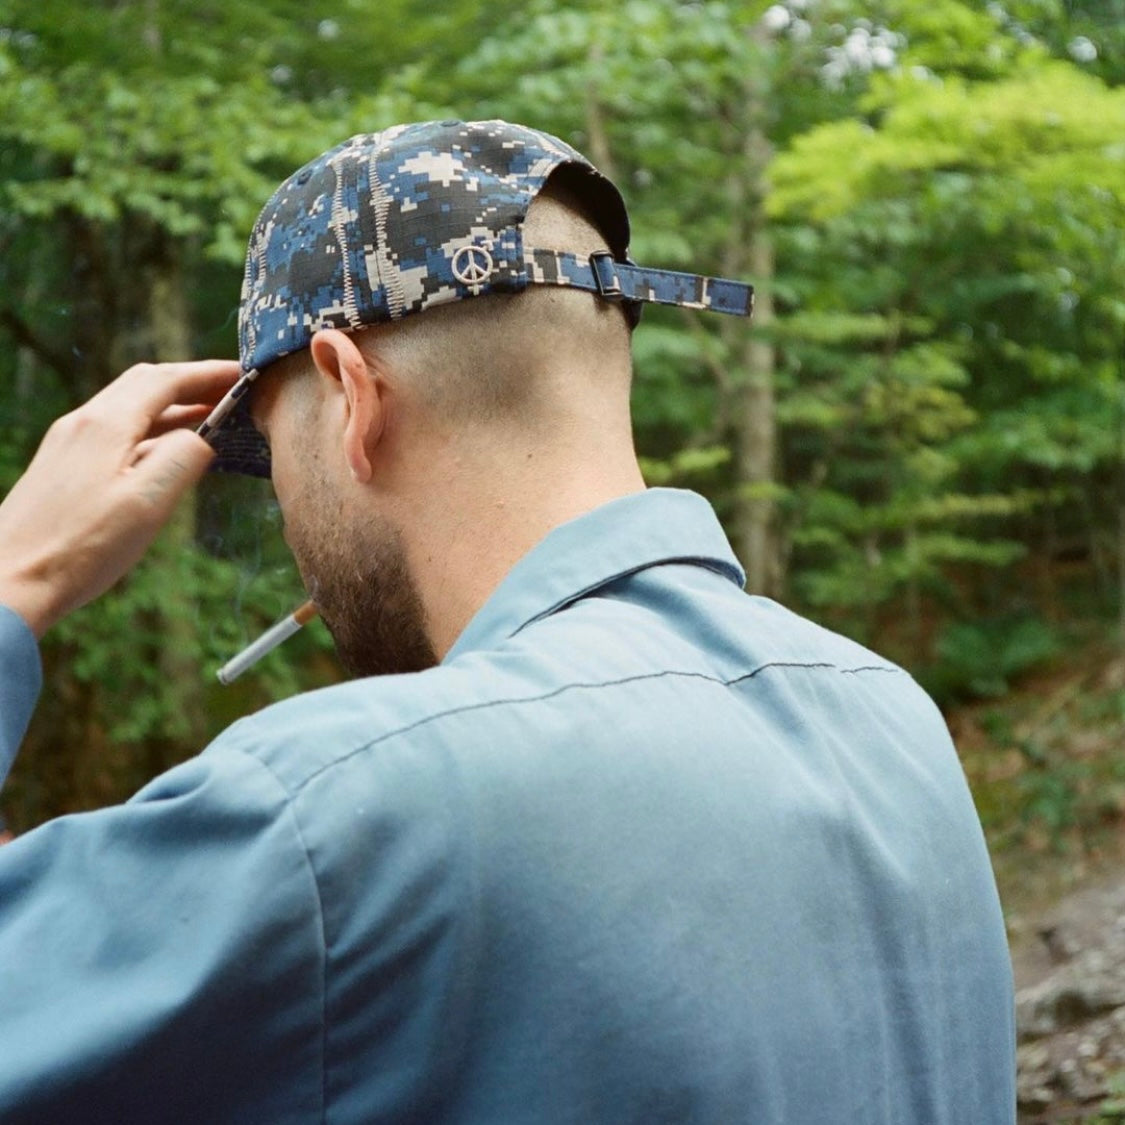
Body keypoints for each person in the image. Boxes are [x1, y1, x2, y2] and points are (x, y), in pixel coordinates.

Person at [0, 119, 1014, 1122]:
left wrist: (14, 583)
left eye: (271, 450)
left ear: (353, 396)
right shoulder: (891, 716)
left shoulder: (338, 813)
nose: (286, 518)